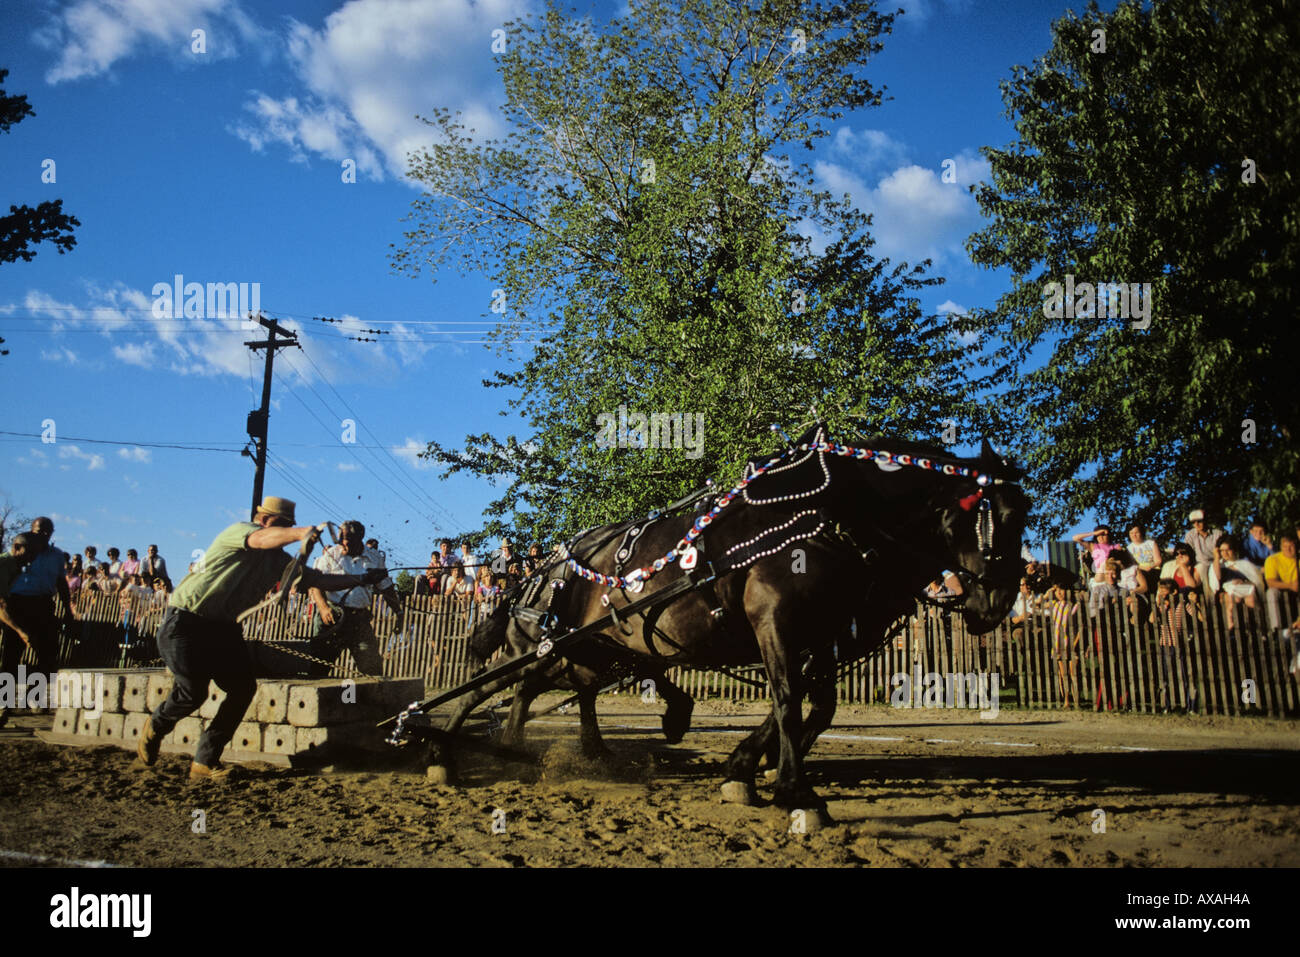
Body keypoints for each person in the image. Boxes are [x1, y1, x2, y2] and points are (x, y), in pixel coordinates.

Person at [136, 496, 387, 781]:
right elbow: (261, 539)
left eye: (288, 527)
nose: (284, 532)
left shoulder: (278, 562)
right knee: (193, 692)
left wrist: (362, 580)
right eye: (282, 525)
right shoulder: (240, 532)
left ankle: (205, 761)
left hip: (223, 628)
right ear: (264, 520)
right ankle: (157, 724)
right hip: (186, 620)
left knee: (242, 689)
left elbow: (318, 579)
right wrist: (299, 533)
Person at [306, 520, 403, 677]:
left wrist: (398, 612)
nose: (344, 543)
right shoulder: (331, 554)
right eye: (341, 539)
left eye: (349, 539)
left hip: (359, 621)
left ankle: (371, 700)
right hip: (332, 619)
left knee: (372, 669)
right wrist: (323, 608)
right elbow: (316, 584)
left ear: (360, 538)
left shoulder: (374, 557)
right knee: (318, 667)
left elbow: (386, 587)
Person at [2, 518, 76, 717]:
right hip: (18, 603)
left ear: (51, 534)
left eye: (46, 532)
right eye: (38, 531)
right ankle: (4, 703)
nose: (42, 535)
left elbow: (61, 583)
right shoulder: (21, 551)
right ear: (31, 531)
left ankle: (34, 697)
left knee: (48, 654)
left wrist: (67, 610)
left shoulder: (57, 555)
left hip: (43, 604)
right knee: (11, 654)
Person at [0, 533, 39, 729]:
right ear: (16, 547)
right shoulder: (2, 565)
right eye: (28, 552)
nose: (31, 557)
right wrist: (20, 631)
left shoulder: (17, 568)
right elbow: (0, 608)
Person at [1208, 536, 1264, 634]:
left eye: (1228, 550)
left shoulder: (1244, 564)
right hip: (1228, 593)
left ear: (1234, 550)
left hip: (1246, 590)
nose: (1225, 553)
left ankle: (1258, 630)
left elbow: (1257, 582)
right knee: (1233, 601)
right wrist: (1216, 558)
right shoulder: (1218, 565)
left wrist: (1244, 582)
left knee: (1251, 601)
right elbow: (1215, 584)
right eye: (1222, 550)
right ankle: (1232, 630)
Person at [1151, 579, 1192, 712]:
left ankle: (1189, 705)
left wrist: (1195, 603)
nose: (1161, 594)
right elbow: (1152, 619)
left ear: (1173, 592)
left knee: (1184, 676)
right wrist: (1159, 606)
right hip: (1165, 645)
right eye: (1160, 591)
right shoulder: (1162, 607)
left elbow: (1198, 615)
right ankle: (1167, 705)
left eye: (1164, 591)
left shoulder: (1182, 604)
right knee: (1167, 677)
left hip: (1179, 644)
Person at [1047, 583, 1081, 708]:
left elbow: (1079, 628)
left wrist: (1073, 646)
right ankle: (1066, 700)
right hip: (1058, 644)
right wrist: (1050, 591)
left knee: (1073, 673)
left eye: (1062, 590)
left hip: (1071, 644)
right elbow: (1037, 604)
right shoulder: (1055, 606)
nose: (1059, 593)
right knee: (1062, 674)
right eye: (1057, 591)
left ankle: (1076, 700)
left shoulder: (1074, 607)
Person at [1263, 534, 1298, 632]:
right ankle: (1276, 629)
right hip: (1281, 591)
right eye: (1285, 546)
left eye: (1291, 546)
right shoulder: (1273, 559)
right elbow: (1270, 582)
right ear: (1281, 547)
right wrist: (1290, 585)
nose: (1288, 549)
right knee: (1271, 592)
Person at [1183, 509, 1224, 592]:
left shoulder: (1218, 534)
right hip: (1200, 563)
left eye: (1199, 521)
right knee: (1202, 568)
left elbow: (1222, 552)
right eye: (1193, 522)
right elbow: (1189, 553)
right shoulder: (1190, 535)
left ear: (1206, 520)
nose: (1196, 524)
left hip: (1217, 562)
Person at [1125, 523, 1162, 593]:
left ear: (1141, 532)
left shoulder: (1151, 543)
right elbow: (1131, 564)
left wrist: (1150, 567)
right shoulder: (1129, 548)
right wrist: (1142, 568)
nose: (1134, 535)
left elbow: (1158, 561)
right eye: (1131, 533)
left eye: (1136, 532)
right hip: (1138, 571)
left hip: (1153, 569)